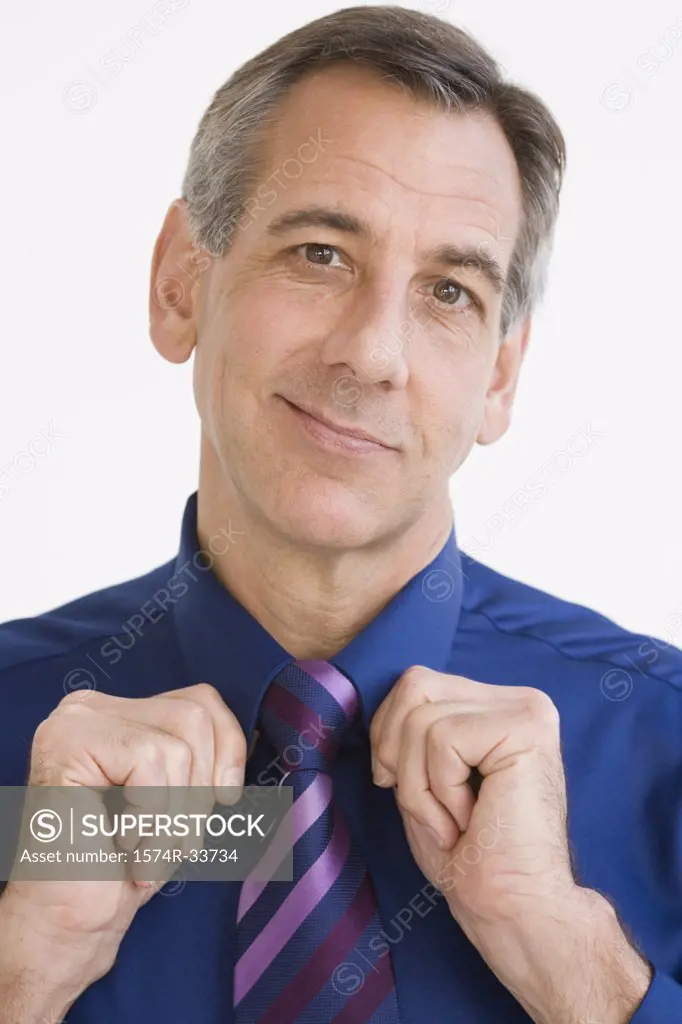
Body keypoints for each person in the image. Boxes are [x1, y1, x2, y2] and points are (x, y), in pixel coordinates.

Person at [0, 5, 679, 1022]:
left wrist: (578, 968)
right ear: (183, 282)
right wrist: (24, 972)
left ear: (499, 374)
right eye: (320, 252)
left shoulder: (662, 744)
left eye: (448, 291)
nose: (372, 353)